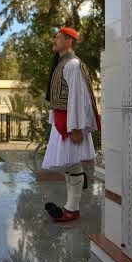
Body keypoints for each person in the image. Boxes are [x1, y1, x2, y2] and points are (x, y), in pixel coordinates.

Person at [41, 27, 100, 223]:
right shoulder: (61, 63)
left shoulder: (73, 64)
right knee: (69, 164)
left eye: (57, 38)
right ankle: (70, 206)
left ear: (68, 41)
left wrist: (76, 127)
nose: (54, 40)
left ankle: (72, 209)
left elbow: (79, 98)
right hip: (62, 121)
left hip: (70, 122)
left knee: (73, 163)